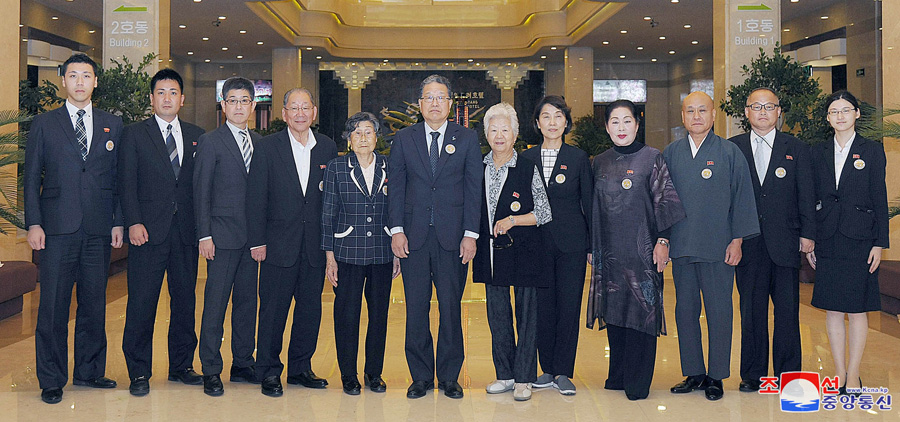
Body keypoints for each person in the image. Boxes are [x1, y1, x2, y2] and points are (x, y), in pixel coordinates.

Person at [24, 53, 125, 404]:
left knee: (94, 303)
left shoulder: (113, 123)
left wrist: (117, 221)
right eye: (73, 76)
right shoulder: (44, 124)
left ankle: (89, 371)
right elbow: (31, 176)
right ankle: (51, 378)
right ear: (64, 80)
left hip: (98, 228)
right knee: (53, 305)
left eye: (86, 75)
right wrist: (34, 223)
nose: (80, 82)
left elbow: (119, 178)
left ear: (95, 81)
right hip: (56, 229)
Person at [388, 74, 482, 399]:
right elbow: (396, 187)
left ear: (450, 103)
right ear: (419, 104)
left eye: (441, 97)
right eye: (428, 97)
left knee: (450, 308)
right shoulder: (404, 138)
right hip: (412, 238)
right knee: (415, 309)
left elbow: (473, 188)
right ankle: (421, 377)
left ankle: (450, 376)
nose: (434, 103)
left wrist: (470, 234)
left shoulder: (466, 138)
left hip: (453, 239)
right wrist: (396, 230)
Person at [663, 91, 759, 401]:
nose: (696, 116)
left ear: (714, 115)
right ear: (682, 116)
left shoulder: (729, 153)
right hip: (682, 245)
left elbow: (742, 197)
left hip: (719, 246)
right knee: (685, 311)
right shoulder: (671, 153)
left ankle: (716, 375)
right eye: (690, 111)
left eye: (702, 110)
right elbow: (661, 200)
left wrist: (737, 239)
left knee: (719, 312)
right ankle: (694, 372)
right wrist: (663, 239)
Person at [587, 100, 685, 400]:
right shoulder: (599, 162)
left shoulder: (652, 158)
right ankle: (618, 374)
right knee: (615, 311)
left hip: (642, 253)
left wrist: (663, 242)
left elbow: (665, 201)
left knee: (642, 312)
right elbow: (592, 208)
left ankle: (638, 382)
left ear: (637, 124)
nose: (621, 127)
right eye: (614, 122)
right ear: (607, 127)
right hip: (610, 252)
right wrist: (592, 247)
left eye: (627, 121)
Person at [118, 68, 206, 396]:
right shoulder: (134, 134)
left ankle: (181, 366)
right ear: (152, 98)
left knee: (184, 302)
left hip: (185, 233)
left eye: (173, 93)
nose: (167, 98)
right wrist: (133, 221)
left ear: (182, 99)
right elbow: (126, 182)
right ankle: (138, 371)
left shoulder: (198, 135)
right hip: (147, 232)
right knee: (142, 303)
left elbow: (200, 187)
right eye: (161, 93)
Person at [247, 88, 338, 397]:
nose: (300, 113)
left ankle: (301, 368)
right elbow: (256, 196)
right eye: (294, 108)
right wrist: (257, 241)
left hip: (314, 246)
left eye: (305, 107)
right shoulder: (267, 147)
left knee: (310, 310)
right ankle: (269, 370)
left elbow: (331, 200)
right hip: (277, 244)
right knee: (273, 311)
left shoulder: (326, 147)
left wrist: (331, 247)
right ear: (284, 113)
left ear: (314, 112)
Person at [729, 87, 816, 392]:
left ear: (779, 112)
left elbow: (806, 194)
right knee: (751, 313)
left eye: (769, 106)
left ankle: (788, 375)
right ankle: (752, 374)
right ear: (746, 112)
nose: (763, 112)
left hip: (785, 242)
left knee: (787, 313)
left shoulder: (796, 148)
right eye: (757, 106)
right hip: (748, 244)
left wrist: (808, 234)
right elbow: (727, 198)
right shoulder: (733, 148)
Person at [807, 90, 888, 395]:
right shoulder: (817, 152)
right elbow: (811, 198)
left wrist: (880, 242)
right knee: (832, 309)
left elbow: (879, 198)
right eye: (834, 111)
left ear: (857, 114)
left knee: (856, 310)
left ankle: (853, 374)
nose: (839, 116)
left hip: (860, 239)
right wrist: (811, 239)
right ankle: (838, 372)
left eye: (845, 110)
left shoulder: (872, 150)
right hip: (827, 237)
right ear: (828, 118)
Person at [473, 103, 552, 402]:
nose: (499, 135)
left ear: (515, 134)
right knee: (497, 315)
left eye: (505, 129)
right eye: (493, 129)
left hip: (526, 251)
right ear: (486, 134)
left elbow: (544, 212)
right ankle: (505, 374)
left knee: (527, 316)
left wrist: (513, 220)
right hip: (491, 253)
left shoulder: (528, 167)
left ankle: (524, 378)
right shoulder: (478, 167)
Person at [322, 112, 400, 396]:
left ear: (377, 138)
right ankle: (348, 374)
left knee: (379, 316)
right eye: (357, 133)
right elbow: (327, 213)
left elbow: (397, 210)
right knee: (347, 316)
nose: (363, 138)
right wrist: (329, 256)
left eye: (368, 132)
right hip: (347, 252)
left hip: (382, 251)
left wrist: (396, 252)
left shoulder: (390, 166)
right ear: (349, 139)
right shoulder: (337, 167)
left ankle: (373, 373)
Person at [193, 77, 261, 396]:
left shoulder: (260, 142)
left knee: (247, 304)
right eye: (232, 100)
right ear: (223, 105)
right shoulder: (211, 141)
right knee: (216, 304)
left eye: (244, 100)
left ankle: (243, 363)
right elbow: (201, 191)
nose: (238, 106)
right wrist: (204, 234)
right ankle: (210, 368)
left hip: (252, 240)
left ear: (253, 105)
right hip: (220, 237)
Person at [520, 95, 592, 395]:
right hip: (536, 245)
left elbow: (589, 203)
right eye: (546, 116)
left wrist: (592, 246)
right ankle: (547, 368)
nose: (552, 122)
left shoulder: (578, 158)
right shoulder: (526, 159)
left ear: (566, 122)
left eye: (558, 116)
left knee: (568, 306)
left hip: (571, 245)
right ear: (537, 123)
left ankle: (563, 371)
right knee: (543, 308)